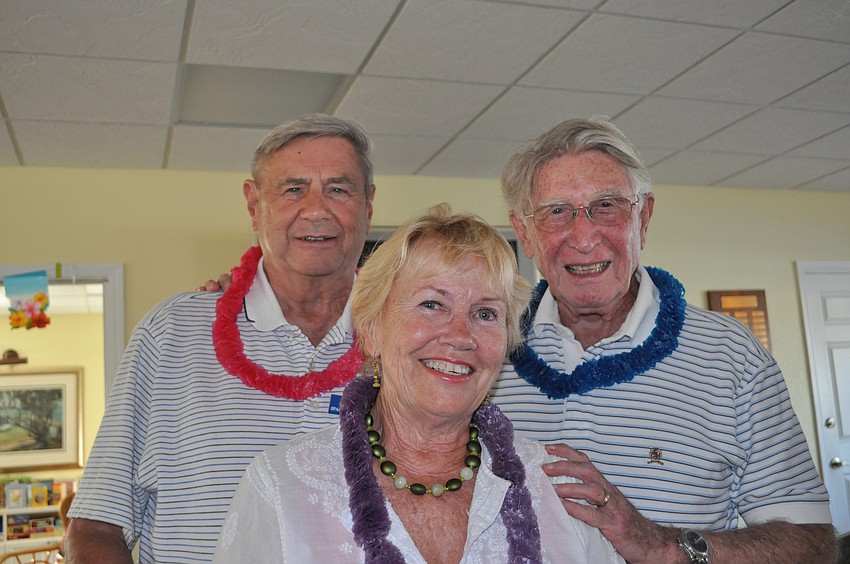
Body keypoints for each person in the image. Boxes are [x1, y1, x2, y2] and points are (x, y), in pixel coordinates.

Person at [493, 115, 837, 563]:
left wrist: (659, 544)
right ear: (524, 233)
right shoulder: (487, 350)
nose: (583, 237)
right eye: (557, 212)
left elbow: (813, 545)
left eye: (607, 205)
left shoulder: (732, 357)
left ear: (644, 216)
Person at [213, 204, 624, 563]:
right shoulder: (283, 486)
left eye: (485, 313)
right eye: (432, 304)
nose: (461, 336)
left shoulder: (556, 488)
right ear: (372, 330)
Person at [65, 114, 376, 563]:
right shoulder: (170, 332)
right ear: (253, 205)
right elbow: (95, 527)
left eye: (339, 188)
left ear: (368, 205)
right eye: (292, 189)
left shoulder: (415, 339)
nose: (316, 209)